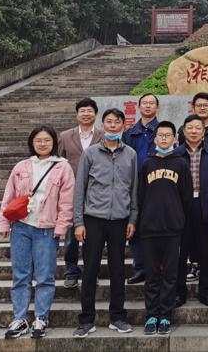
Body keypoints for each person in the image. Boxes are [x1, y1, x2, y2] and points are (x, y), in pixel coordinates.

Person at [0, 125, 75, 339]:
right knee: (20, 275)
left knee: (45, 276)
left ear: (54, 143)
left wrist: (61, 226)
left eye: (47, 140)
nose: (42, 144)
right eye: (38, 140)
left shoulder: (62, 167)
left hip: (46, 229)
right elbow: (9, 196)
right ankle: (20, 318)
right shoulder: (21, 166)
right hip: (21, 227)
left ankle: (41, 317)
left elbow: (67, 200)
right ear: (32, 143)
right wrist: (4, 223)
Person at [72, 108, 138, 338]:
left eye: (117, 122)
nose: (112, 126)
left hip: (120, 220)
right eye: (109, 122)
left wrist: (133, 218)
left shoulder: (130, 154)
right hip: (93, 219)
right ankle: (86, 320)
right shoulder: (90, 153)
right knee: (90, 270)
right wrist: (78, 222)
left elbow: (134, 188)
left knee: (118, 270)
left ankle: (117, 317)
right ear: (103, 125)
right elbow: (80, 188)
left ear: (123, 126)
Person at [138, 121, 193, 336]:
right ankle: (152, 315)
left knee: (170, 275)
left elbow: (186, 198)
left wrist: (181, 222)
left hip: (173, 229)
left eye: (167, 135)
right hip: (150, 228)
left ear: (175, 139)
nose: (163, 138)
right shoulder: (147, 164)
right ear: (155, 138)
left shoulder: (181, 164)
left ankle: (166, 316)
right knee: (152, 276)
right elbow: (140, 195)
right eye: (160, 135)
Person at [175, 114, 208, 307]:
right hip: (182, 207)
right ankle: (179, 292)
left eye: (198, 128)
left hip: (206, 205)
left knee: (206, 252)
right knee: (180, 253)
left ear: (204, 132)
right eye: (190, 128)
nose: (194, 131)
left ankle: (206, 291)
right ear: (183, 131)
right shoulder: (176, 154)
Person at [57, 98, 102, 289]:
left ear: (96, 114)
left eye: (89, 111)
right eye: (82, 111)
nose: (86, 114)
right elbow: (58, 162)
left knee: (94, 236)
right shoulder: (65, 136)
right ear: (77, 114)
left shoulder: (103, 135)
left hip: (96, 193)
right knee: (70, 236)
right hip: (71, 192)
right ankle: (71, 271)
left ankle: (92, 272)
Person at [124, 93, 160, 285]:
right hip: (135, 185)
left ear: (157, 107)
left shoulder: (163, 131)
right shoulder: (129, 133)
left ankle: (157, 267)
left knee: (157, 226)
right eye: (144, 103)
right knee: (135, 225)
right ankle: (140, 267)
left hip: (158, 184)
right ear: (139, 107)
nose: (148, 106)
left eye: (151, 103)